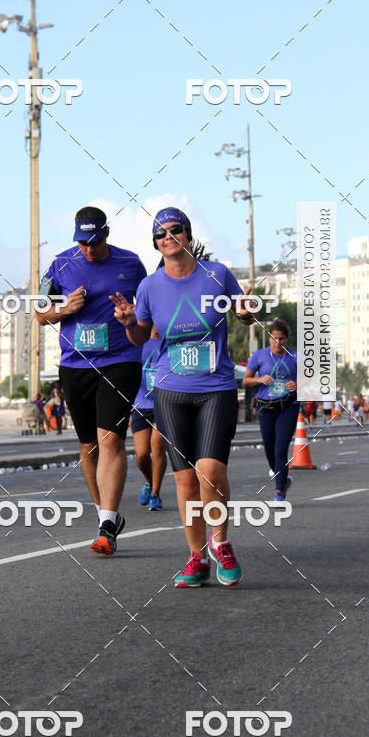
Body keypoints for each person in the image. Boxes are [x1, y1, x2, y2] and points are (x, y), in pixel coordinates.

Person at [112, 206, 253, 587]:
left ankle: (221, 542)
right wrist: (129, 324)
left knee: (210, 470)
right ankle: (196, 557)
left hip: (216, 389)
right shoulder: (149, 287)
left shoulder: (217, 274)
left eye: (176, 230)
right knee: (186, 481)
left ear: (188, 235)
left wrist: (245, 311)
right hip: (170, 391)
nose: (169, 237)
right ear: (155, 243)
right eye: (161, 234)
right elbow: (142, 338)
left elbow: (243, 313)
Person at [36, 205, 147, 555]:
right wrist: (63, 310)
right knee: (88, 447)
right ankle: (106, 514)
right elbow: (39, 314)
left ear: (106, 234)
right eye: (82, 242)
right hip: (76, 365)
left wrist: (131, 317)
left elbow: (146, 316)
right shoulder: (60, 264)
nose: (88, 248)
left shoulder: (131, 264)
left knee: (111, 440)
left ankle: (107, 526)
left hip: (120, 361)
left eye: (94, 241)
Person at [243, 318, 299, 501]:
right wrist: (260, 380)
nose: (277, 343)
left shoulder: (296, 357)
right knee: (269, 451)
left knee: (280, 450)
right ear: (269, 338)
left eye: (281, 339)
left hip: (288, 406)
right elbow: (246, 380)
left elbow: (313, 381)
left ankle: (279, 492)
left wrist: (297, 384)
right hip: (266, 408)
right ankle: (283, 479)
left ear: (286, 339)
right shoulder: (259, 356)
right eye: (274, 338)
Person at [130, 326, 167, 511]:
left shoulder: (169, 340)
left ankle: (155, 494)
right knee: (141, 455)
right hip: (140, 403)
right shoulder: (138, 341)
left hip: (163, 403)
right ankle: (148, 481)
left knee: (158, 446)